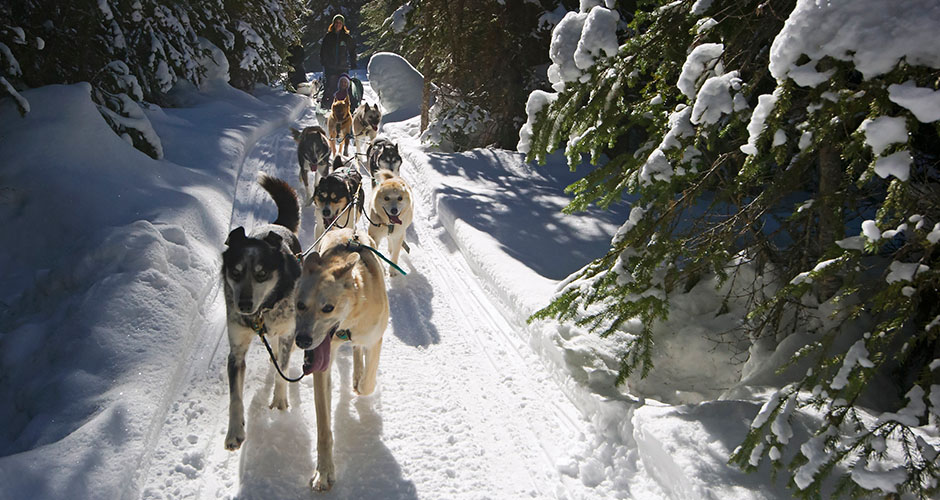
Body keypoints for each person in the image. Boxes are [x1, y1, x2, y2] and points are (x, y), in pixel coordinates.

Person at [319, 14, 356, 109]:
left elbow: (352, 50)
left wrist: (353, 62)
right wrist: (324, 61)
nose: (338, 24)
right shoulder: (328, 37)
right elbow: (323, 50)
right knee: (330, 85)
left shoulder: (346, 37)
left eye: (340, 23)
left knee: (344, 86)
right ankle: (328, 106)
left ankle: (347, 106)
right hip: (330, 66)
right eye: (336, 22)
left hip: (343, 66)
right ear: (333, 24)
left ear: (342, 24)